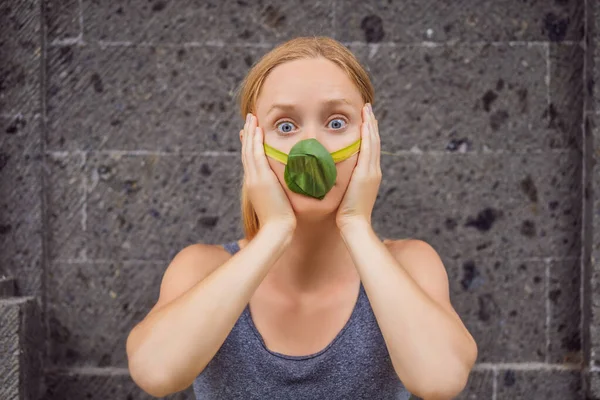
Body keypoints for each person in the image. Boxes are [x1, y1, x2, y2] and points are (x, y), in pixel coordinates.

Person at [126, 36, 478, 400]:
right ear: (251, 145)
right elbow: (156, 372)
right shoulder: (201, 268)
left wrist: (356, 223)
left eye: (337, 122)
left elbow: (441, 380)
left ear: (369, 136)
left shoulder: (410, 265)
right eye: (286, 126)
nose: (312, 147)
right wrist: (274, 231)